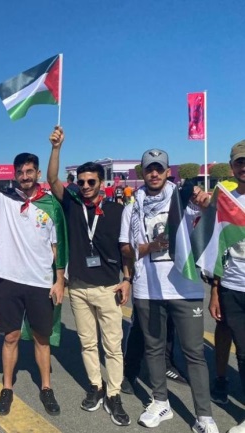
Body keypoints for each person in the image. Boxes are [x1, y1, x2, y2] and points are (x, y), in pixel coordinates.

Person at [0, 133, 66, 418]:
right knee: (10, 338)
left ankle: (46, 387)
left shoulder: (51, 206)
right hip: (9, 282)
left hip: (41, 283)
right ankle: (7, 387)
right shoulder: (4, 202)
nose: (25, 176)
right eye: (20, 172)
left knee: (42, 339)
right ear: (15, 175)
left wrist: (59, 280)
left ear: (37, 173)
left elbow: (58, 247)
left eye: (29, 171)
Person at [120, 149, 218, 432]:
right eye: (149, 169)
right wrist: (148, 248)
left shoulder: (183, 201)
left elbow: (208, 216)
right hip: (148, 290)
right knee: (154, 349)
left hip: (184, 289)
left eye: (159, 169)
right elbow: (125, 249)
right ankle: (160, 401)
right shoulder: (132, 207)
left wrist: (205, 202)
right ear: (142, 172)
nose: (154, 174)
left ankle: (204, 415)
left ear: (167, 172)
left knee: (194, 353)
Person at [47, 126, 131, 426]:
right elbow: (52, 180)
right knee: (87, 343)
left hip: (108, 288)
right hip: (79, 288)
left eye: (90, 181)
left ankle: (114, 393)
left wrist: (127, 279)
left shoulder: (118, 210)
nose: (84, 185)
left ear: (102, 183)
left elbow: (125, 249)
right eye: (81, 181)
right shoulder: (71, 205)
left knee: (112, 345)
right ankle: (96, 387)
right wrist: (56, 148)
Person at [208, 140, 245, 433]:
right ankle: (222, 380)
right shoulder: (225, 202)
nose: (244, 168)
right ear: (232, 167)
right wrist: (215, 290)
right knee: (240, 350)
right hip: (232, 287)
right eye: (240, 162)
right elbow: (217, 248)